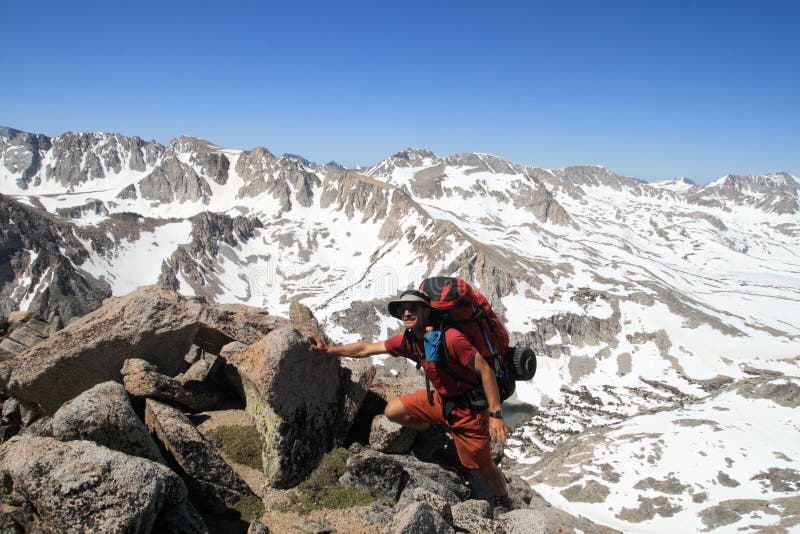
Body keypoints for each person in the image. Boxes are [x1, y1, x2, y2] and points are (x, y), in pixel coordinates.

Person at [310, 288, 514, 511]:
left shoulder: (451, 338)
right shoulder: (410, 340)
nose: (406, 312)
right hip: (441, 400)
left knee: (482, 466)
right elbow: (366, 349)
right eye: (402, 309)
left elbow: (485, 370)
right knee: (393, 411)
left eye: (413, 307)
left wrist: (495, 414)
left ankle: (504, 500)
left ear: (426, 311)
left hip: (468, 411)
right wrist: (329, 350)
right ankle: (433, 432)